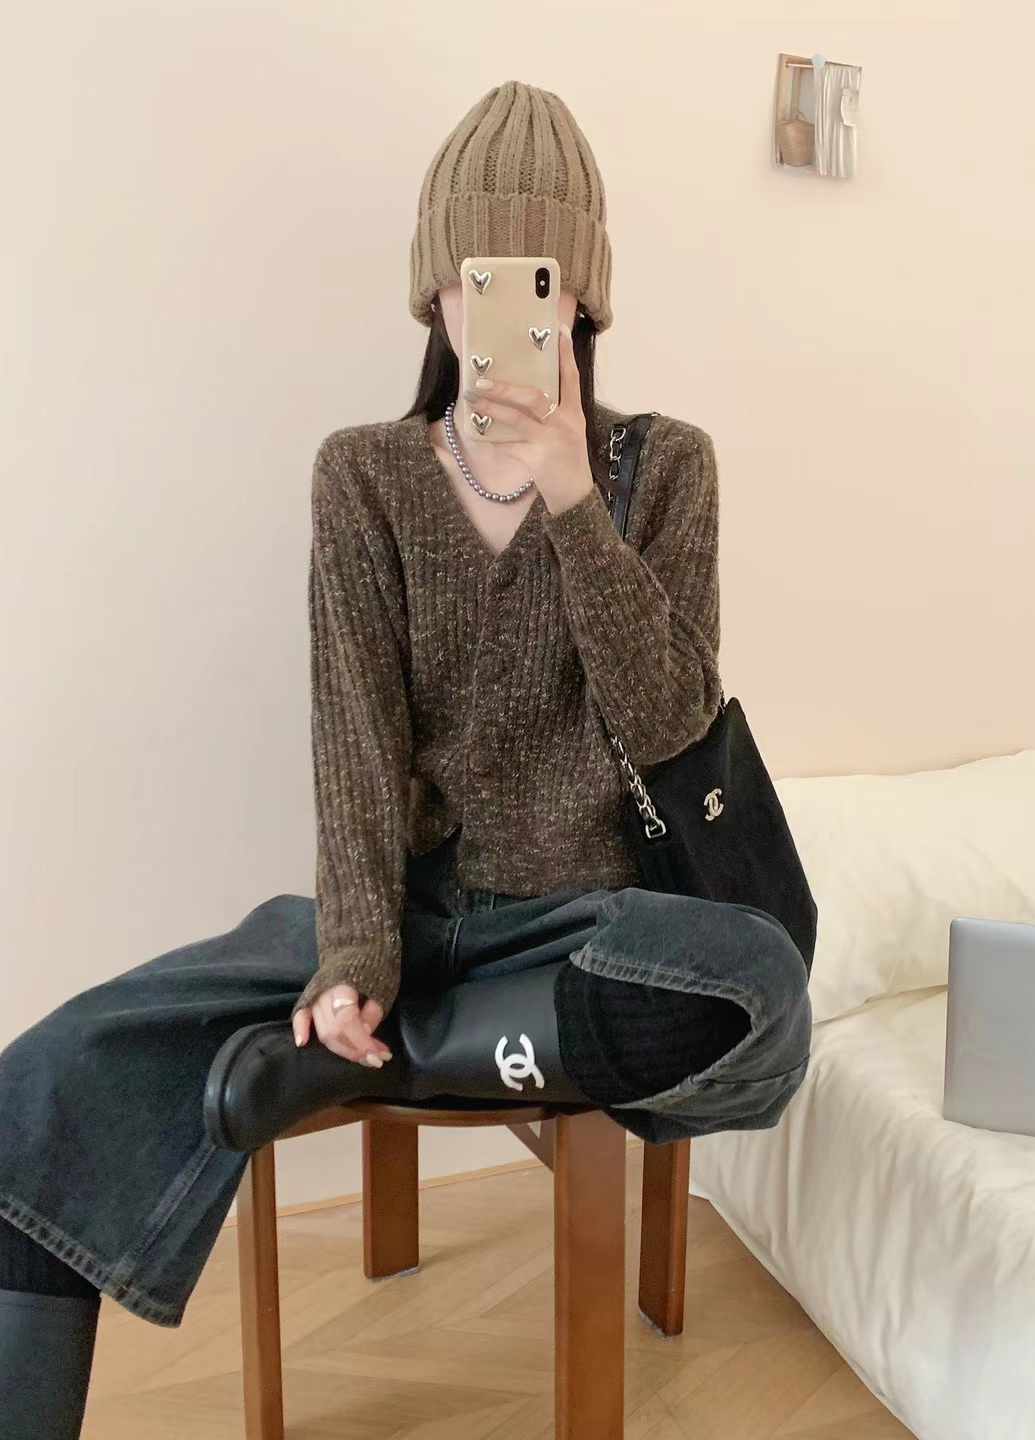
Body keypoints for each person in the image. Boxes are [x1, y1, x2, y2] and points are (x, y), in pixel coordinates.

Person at [0, 79, 812, 1437]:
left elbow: (673, 726)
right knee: (42, 1080)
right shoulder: (364, 474)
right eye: (474, 275)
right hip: (413, 913)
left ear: (585, 297)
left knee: (762, 986)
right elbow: (358, 748)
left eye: (538, 275)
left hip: (583, 932)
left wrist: (573, 502)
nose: (500, 306)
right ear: (434, 289)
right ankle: (380, 1025)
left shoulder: (667, 469)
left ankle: (386, 1054)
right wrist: (353, 962)